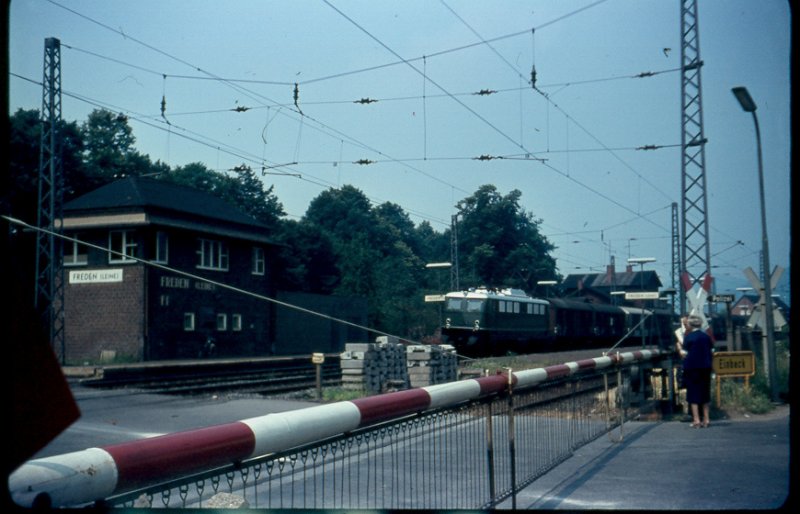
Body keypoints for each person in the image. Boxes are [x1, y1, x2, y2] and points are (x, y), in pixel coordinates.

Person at [679, 315, 714, 427]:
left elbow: (684, 354)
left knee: (693, 393)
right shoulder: (706, 337)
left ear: (691, 325)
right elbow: (712, 351)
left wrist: (679, 349)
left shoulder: (689, 337)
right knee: (705, 392)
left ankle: (696, 420)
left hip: (692, 368)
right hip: (706, 368)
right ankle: (706, 419)